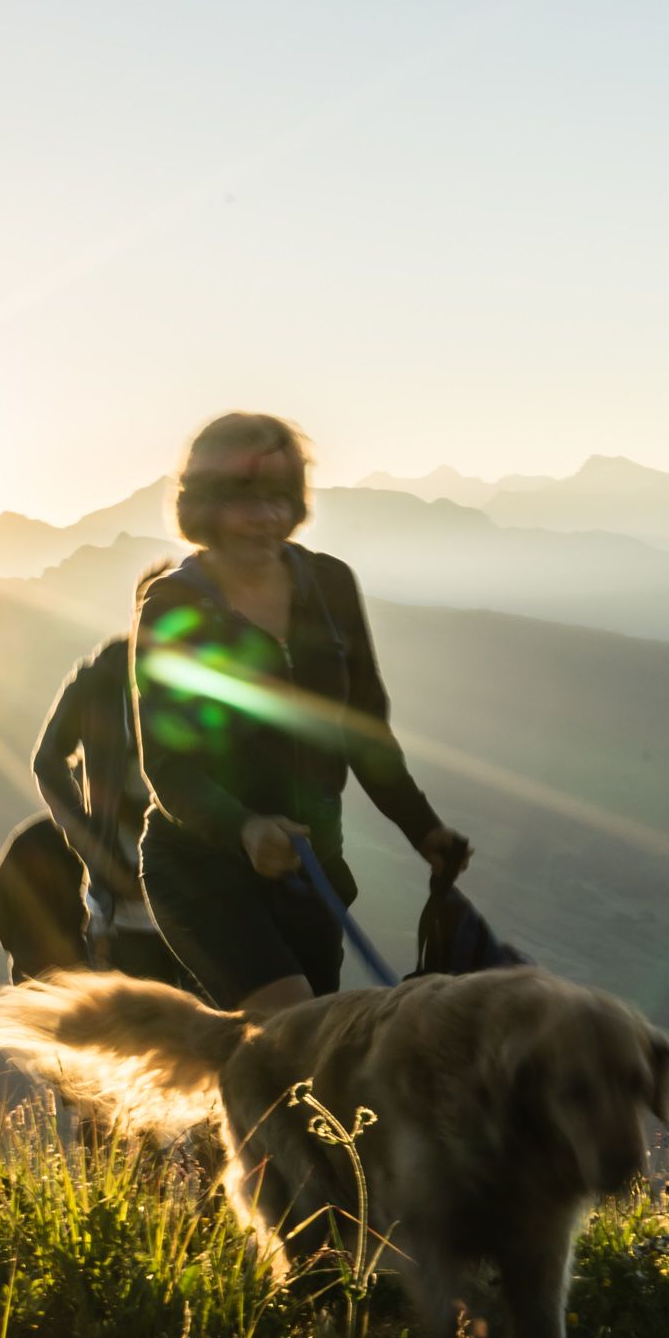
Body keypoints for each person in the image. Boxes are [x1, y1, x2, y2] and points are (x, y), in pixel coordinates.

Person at [132, 413, 468, 1019]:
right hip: (205, 872)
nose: (265, 517)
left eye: (280, 499)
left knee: (309, 1085)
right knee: (293, 1040)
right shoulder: (175, 606)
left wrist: (423, 829)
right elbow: (168, 763)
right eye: (243, 500)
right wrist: (244, 827)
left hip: (311, 876)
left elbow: (364, 727)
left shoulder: (331, 586)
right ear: (202, 506)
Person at [16, 636, 197, 989]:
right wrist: (89, 840)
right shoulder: (100, 681)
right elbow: (47, 762)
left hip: (201, 903)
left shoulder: (199, 675)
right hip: (127, 911)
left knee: (213, 1032)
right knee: (137, 1036)